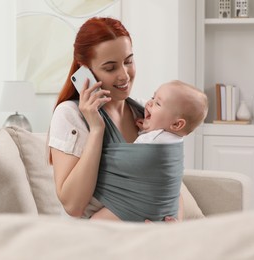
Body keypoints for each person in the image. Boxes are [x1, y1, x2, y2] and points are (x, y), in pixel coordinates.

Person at [48, 17, 183, 222]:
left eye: (128, 61)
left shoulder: (145, 113)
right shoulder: (70, 115)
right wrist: (96, 129)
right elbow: (73, 206)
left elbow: (169, 183)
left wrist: (174, 224)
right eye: (110, 68)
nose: (124, 75)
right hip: (93, 242)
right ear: (86, 71)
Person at [89, 80, 208, 221]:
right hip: (166, 211)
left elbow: (134, 158)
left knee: (95, 223)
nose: (149, 103)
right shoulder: (175, 139)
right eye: (153, 97)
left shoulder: (153, 141)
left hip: (140, 209)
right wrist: (147, 129)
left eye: (158, 103)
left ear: (176, 124)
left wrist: (145, 133)